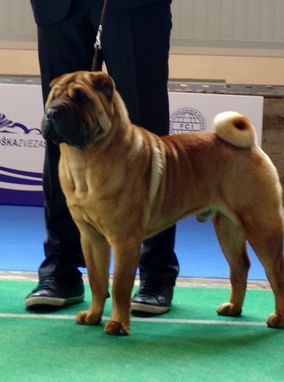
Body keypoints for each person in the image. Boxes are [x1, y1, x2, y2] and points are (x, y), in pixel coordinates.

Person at [25, 0, 179, 314]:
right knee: (60, 127)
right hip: (58, 8)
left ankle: (156, 272)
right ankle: (60, 269)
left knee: (146, 131)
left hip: (133, 6)